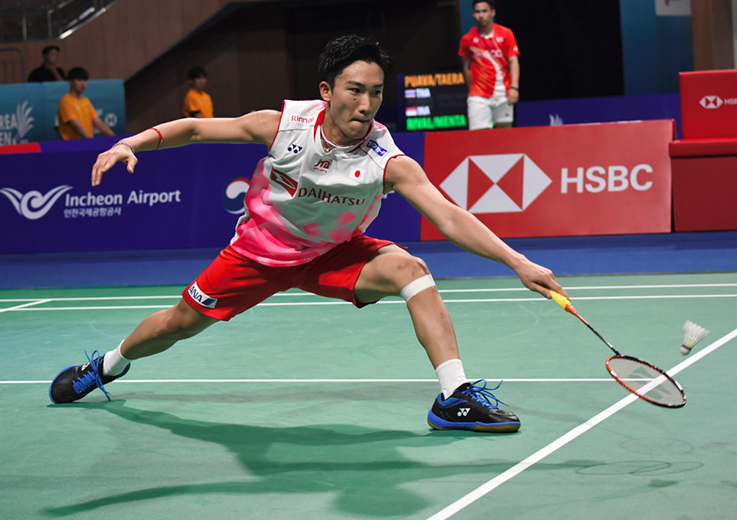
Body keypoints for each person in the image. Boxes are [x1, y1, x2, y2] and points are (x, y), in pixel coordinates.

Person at [49, 35, 566, 433]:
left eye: (376, 93)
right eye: (355, 90)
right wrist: (130, 142)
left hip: (332, 254)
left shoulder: (388, 160)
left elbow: (450, 216)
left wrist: (518, 262)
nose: (366, 105)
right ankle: (108, 366)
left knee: (412, 269)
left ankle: (452, 396)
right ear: (327, 91)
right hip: (257, 253)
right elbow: (197, 128)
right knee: (177, 324)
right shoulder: (283, 125)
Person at [459, 0, 520, 129]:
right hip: (479, 95)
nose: (481, 15)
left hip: (503, 93)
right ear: (473, 14)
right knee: (479, 138)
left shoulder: (506, 34)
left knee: (505, 135)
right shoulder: (467, 39)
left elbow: (513, 61)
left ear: (492, 12)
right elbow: (466, 66)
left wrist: (514, 88)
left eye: (484, 11)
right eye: (477, 12)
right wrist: (472, 89)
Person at [57, 67, 115, 140]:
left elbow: (98, 122)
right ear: (70, 82)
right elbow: (76, 126)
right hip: (73, 146)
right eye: (79, 80)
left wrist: (115, 138)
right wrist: (92, 142)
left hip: (88, 143)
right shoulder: (65, 101)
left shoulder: (85, 100)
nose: (83, 83)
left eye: (84, 80)